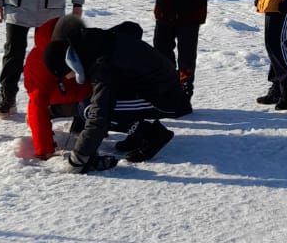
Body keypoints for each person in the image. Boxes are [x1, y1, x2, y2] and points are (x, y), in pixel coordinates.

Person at [42, 15, 189, 172]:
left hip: (165, 97)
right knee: (92, 102)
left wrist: (80, 156)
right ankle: (137, 133)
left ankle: (153, 134)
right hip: (158, 85)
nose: (68, 78)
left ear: (69, 63)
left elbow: (99, 115)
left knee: (89, 110)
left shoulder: (101, 65)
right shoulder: (91, 42)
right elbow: (132, 28)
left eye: (66, 74)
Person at [22, 17, 92, 159]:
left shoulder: (84, 44)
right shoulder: (39, 64)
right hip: (57, 98)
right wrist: (45, 149)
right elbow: (38, 104)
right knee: (38, 113)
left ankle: (84, 118)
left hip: (82, 97)